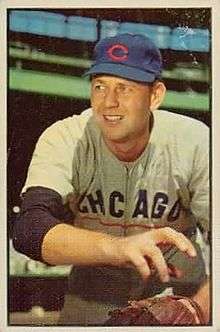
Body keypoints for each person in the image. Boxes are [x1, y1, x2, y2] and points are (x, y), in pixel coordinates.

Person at [12, 33, 210, 325]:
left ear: (155, 95)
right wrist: (118, 248)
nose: (109, 102)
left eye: (125, 88)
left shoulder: (195, 142)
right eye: (100, 86)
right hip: (91, 304)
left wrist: (199, 308)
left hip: (178, 300)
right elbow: (29, 229)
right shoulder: (66, 137)